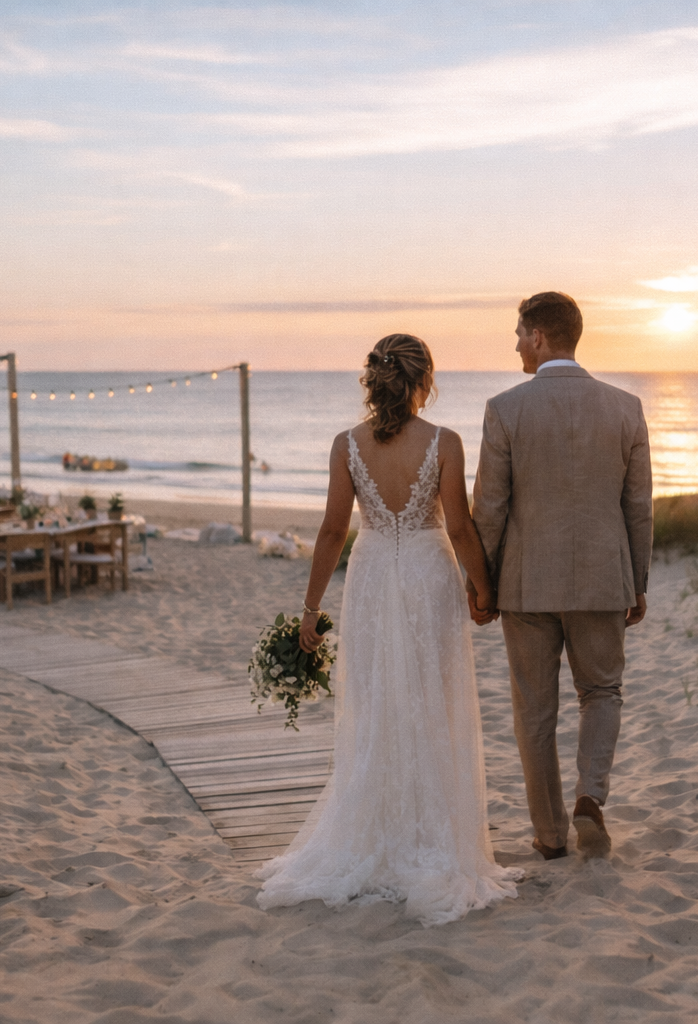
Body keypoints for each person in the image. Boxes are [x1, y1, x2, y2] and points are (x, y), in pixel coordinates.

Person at [255, 333, 522, 926]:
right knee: (434, 701)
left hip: (373, 573)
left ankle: (380, 830)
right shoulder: (445, 442)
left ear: (374, 380)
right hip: (428, 572)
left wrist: (309, 609)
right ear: (424, 379)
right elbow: (459, 527)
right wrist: (484, 589)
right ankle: (432, 835)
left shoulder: (345, 445)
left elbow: (331, 531)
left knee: (376, 702)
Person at [471, 292, 653, 861]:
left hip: (526, 584)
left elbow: (490, 509)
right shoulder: (626, 407)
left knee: (534, 708)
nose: (515, 343)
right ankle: (590, 798)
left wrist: (483, 584)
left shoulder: (505, 409)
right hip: (603, 579)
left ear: (541, 337)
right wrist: (637, 580)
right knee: (601, 692)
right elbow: (640, 506)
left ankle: (549, 836)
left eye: (519, 333)